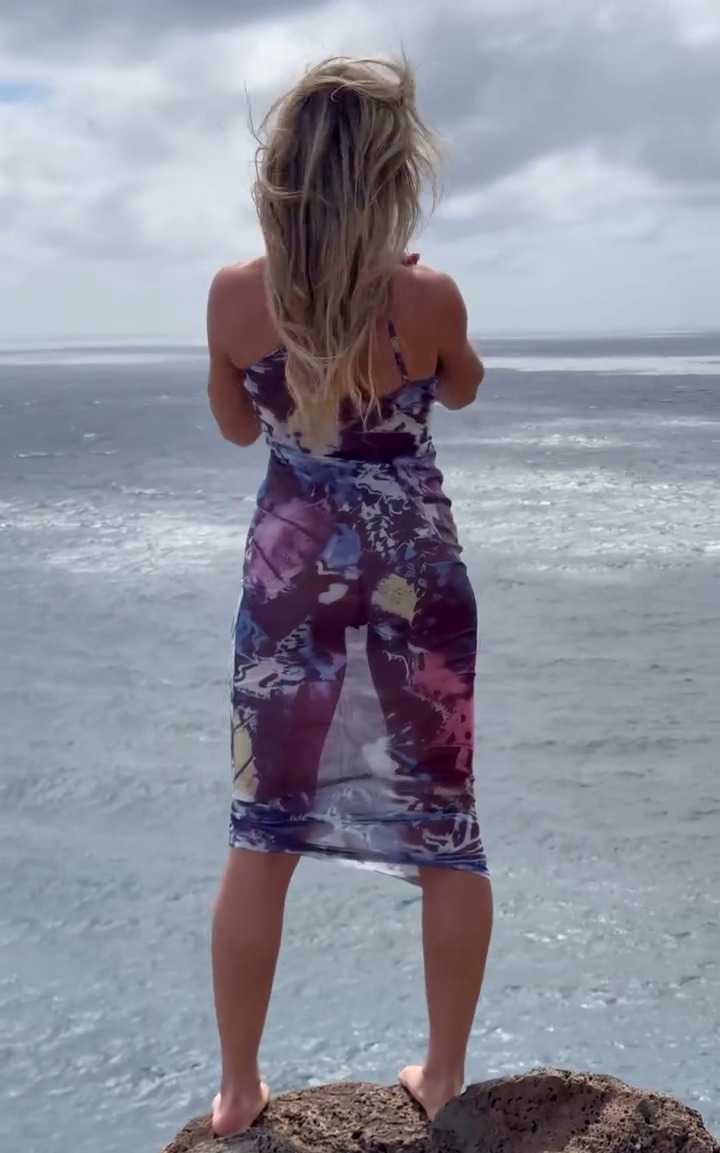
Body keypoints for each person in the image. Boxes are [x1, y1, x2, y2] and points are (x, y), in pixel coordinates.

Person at [206, 55, 493, 1139]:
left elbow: (237, 423)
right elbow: (462, 385)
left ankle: (239, 1090)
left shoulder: (238, 294)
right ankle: (446, 1073)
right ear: (389, 179)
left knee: (262, 833)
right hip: (417, 569)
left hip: (291, 575)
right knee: (446, 825)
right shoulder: (428, 295)